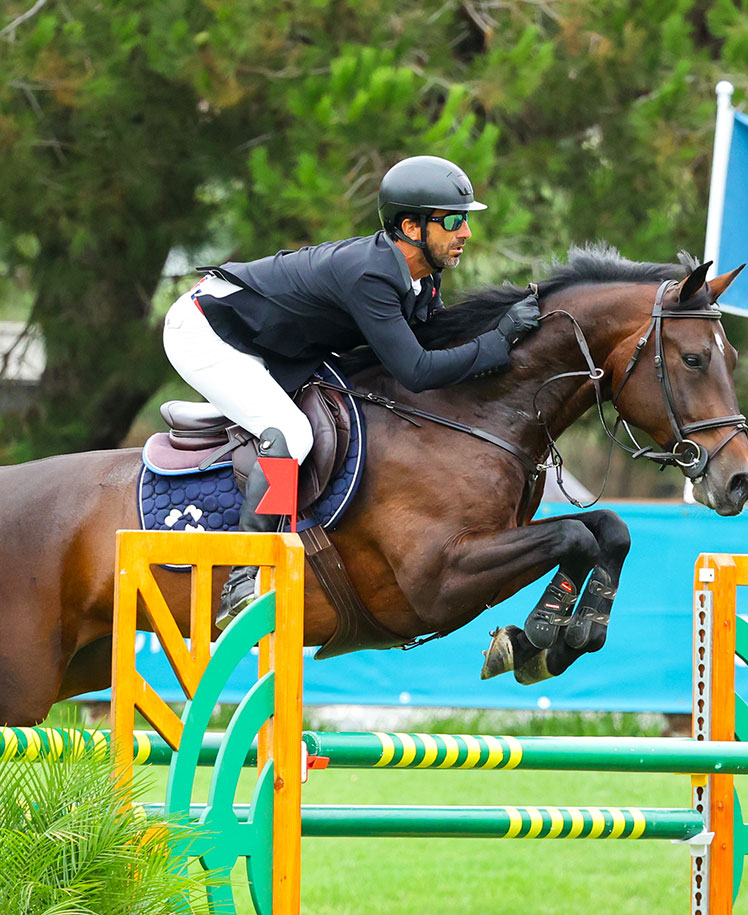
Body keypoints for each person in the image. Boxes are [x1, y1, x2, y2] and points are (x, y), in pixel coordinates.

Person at [162, 155, 544, 627]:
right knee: (289, 433)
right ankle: (247, 571)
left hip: (272, 341)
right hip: (205, 330)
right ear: (411, 226)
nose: (466, 231)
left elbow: (430, 339)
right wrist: (499, 339)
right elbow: (418, 370)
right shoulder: (372, 275)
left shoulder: (421, 273)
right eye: (453, 220)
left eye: (464, 219)